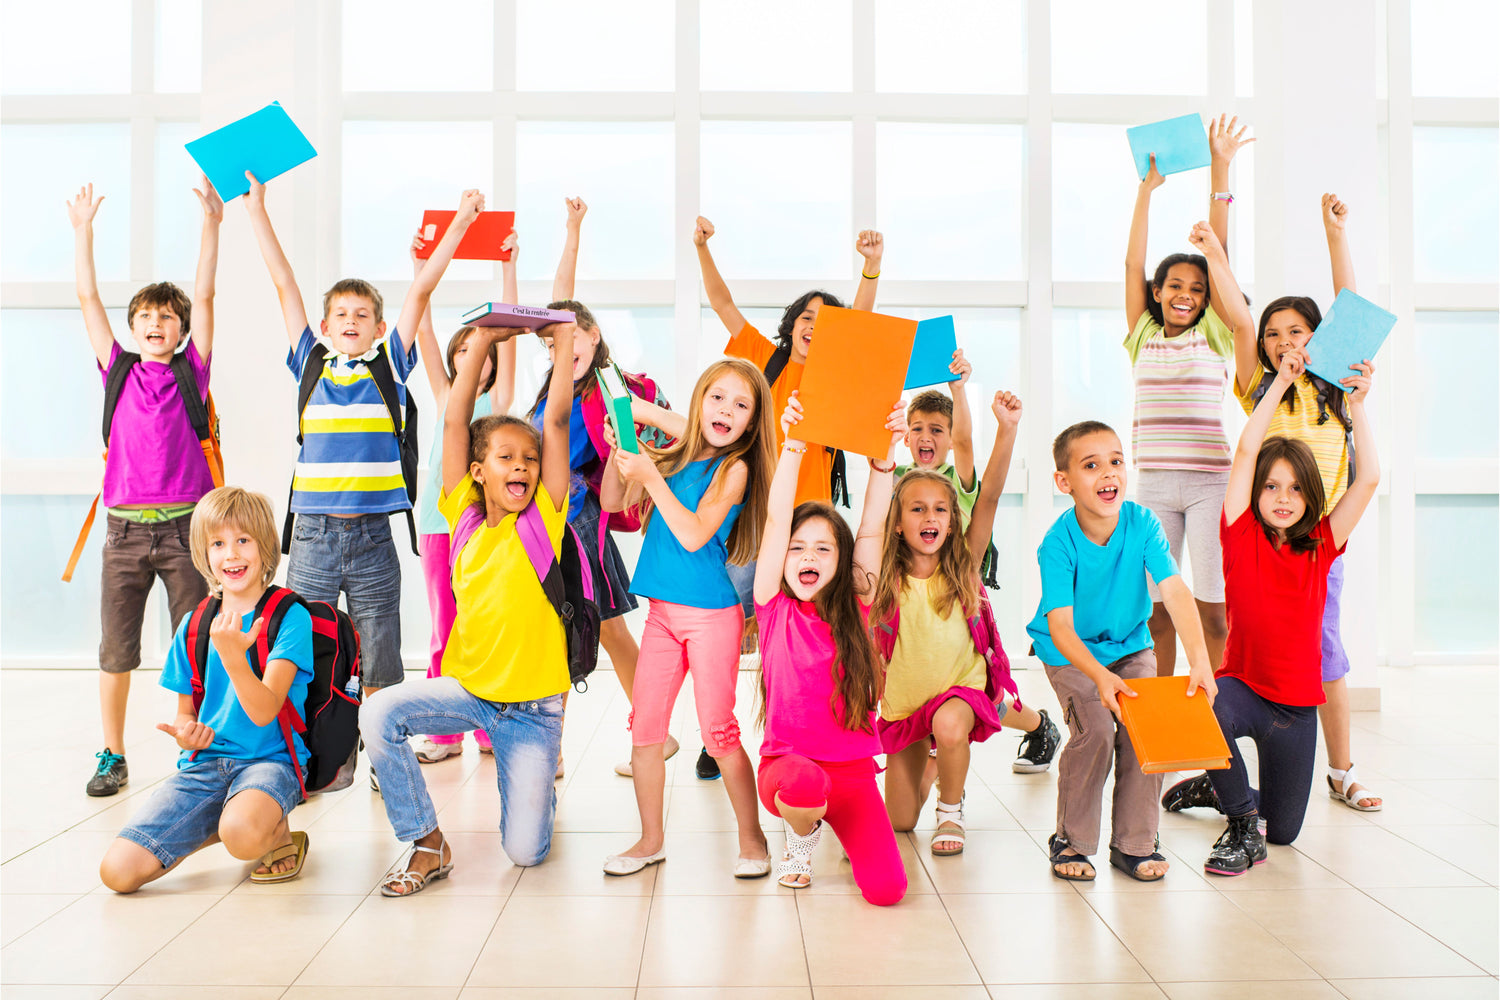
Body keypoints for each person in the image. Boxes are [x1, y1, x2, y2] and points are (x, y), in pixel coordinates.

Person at [244, 174, 480, 718]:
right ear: (325, 326)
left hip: (375, 537)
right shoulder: (310, 362)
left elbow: (421, 291)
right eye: (341, 315)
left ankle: (381, 755)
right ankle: (304, 755)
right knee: (302, 654)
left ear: (378, 328)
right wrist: (258, 209)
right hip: (312, 536)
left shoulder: (389, 363)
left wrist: (461, 223)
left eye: (363, 315)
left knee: (379, 658)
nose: (351, 321)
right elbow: (284, 282)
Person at [360, 320, 576, 895]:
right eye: (507, 457)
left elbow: (554, 421)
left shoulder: (545, 519)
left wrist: (559, 343)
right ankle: (427, 842)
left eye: (529, 459)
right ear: (478, 473)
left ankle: (536, 789)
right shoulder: (463, 519)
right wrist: (482, 336)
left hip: (532, 710)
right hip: (469, 692)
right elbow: (454, 421)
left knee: (525, 853)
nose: (523, 467)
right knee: (377, 714)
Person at [1166, 349, 1378, 875]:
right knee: (1209, 708)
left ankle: (1217, 787)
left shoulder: (1323, 544)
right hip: (1243, 688)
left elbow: (1369, 478)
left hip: (1294, 711)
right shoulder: (1239, 535)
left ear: (1312, 497)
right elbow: (1244, 453)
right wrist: (1279, 386)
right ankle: (1239, 822)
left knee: (1283, 833)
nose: (1283, 498)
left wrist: (1357, 407)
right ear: (1256, 491)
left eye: (1296, 488)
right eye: (1271, 486)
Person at [694, 217, 886, 778]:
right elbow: (722, 301)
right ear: (791, 324)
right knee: (732, 627)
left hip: (810, 531)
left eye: (828, 324)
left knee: (808, 636)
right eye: (808, 318)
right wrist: (703, 247)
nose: (815, 329)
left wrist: (871, 269)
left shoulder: (839, 379)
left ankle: (816, 724)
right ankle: (717, 733)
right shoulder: (760, 358)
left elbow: (865, 326)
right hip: (752, 522)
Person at [1216, 194, 1382, 812]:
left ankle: (1341, 771)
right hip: (1262, 543)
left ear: (1318, 338)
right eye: (1274, 334)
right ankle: (1228, 759)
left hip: (1317, 546)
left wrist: (1335, 235)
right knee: (1254, 650)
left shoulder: (1339, 388)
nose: (1286, 340)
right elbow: (1236, 317)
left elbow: (1351, 311)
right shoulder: (1263, 387)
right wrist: (1213, 250)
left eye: (1299, 331)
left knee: (1327, 655)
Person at [67, 178, 225, 797]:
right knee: (116, 651)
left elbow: (206, 292)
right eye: (145, 316)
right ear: (132, 328)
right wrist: (83, 234)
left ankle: (200, 745)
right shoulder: (119, 371)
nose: (155, 322)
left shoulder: (194, 371)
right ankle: (112, 752)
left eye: (167, 316)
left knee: (197, 649)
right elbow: (86, 297)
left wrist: (213, 225)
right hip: (124, 532)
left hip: (188, 530)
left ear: (182, 330)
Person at [599, 358, 777, 879]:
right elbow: (612, 499)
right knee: (645, 732)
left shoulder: (735, 469)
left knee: (718, 733)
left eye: (741, 405)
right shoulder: (677, 454)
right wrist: (621, 448)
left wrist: (650, 473)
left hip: (711, 619)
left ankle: (753, 837)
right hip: (661, 616)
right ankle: (650, 840)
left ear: (751, 421)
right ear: (699, 403)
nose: (727, 410)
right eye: (717, 398)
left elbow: (696, 532)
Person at [1027, 420, 1216, 882]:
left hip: (1131, 646)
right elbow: (1062, 629)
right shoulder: (1057, 543)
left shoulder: (1143, 523)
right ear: (1064, 482)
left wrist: (1201, 663)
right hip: (1069, 653)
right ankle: (1070, 840)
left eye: (1115, 461)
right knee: (1093, 730)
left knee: (1143, 730)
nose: (1108, 473)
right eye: (1091, 465)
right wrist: (1099, 677)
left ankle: (1134, 843)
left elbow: (1174, 592)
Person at [99, 487, 314, 892]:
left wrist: (235, 658)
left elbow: (265, 711)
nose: (231, 554)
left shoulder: (289, 617)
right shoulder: (195, 625)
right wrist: (187, 731)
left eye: (243, 541)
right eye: (218, 543)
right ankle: (224, 820)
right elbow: (187, 712)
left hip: (271, 762)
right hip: (204, 766)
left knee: (243, 836)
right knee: (118, 873)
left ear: (265, 547)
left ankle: (271, 831)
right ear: (205, 554)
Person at [532, 197, 676, 780]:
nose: (559, 351)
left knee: (575, 627)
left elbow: (630, 449)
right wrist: (571, 231)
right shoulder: (558, 378)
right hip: (548, 515)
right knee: (605, 631)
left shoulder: (608, 387)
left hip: (576, 523)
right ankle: (647, 732)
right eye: (549, 345)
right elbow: (557, 309)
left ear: (593, 335)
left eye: (569, 341)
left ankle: (561, 747)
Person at [753, 392, 906, 904]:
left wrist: (884, 464)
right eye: (798, 548)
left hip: (853, 775)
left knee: (887, 891)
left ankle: (829, 823)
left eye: (823, 548)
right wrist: (793, 446)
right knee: (800, 785)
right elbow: (775, 522)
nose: (807, 555)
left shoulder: (857, 606)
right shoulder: (773, 605)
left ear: (841, 562)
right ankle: (802, 836)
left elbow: (871, 526)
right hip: (790, 766)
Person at [868, 391, 1035, 856]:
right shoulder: (883, 575)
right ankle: (930, 769)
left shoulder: (963, 565)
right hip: (904, 703)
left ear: (952, 520)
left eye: (940, 509)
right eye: (917, 509)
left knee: (949, 724)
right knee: (899, 823)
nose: (930, 517)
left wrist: (1007, 429)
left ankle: (951, 811)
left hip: (958, 690)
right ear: (897, 523)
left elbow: (993, 493)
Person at [1123, 114, 1254, 678]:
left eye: (1196, 289)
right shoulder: (1143, 335)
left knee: (1214, 610)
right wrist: (1146, 194)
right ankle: (1164, 717)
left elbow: (1217, 255)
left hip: (1207, 483)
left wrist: (1220, 167)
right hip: (1153, 482)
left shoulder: (1215, 332)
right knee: (1155, 613)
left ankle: (1217, 712)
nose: (1186, 294)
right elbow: (1132, 262)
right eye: (1175, 285)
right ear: (1158, 292)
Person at [897, 364, 1061, 774]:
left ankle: (1038, 725)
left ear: (950, 440)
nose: (926, 437)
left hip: (956, 591)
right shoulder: (897, 478)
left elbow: (968, 443)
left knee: (976, 693)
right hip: (912, 597)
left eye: (937, 429)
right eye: (917, 428)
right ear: (905, 436)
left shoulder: (958, 479)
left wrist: (958, 389)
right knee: (932, 684)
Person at [408, 229, 517, 764]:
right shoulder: (446, 393)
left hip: (484, 526)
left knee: (484, 625)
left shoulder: (499, 399)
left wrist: (508, 268)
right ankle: (445, 731)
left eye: (481, 349)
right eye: (464, 350)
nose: (473, 357)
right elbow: (423, 327)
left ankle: (486, 728)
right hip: (437, 524)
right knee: (443, 626)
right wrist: (421, 266)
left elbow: (511, 338)